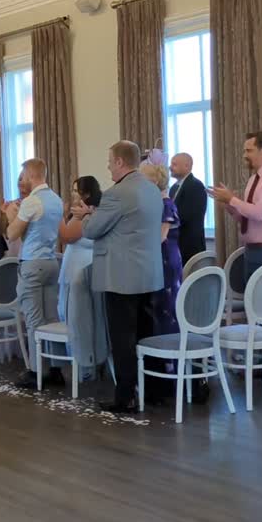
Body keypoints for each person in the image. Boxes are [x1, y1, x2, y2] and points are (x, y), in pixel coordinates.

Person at [72, 141, 163, 414]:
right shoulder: (152, 189)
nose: (108, 166)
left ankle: (126, 396)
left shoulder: (116, 194)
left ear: (121, 162)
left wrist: (86, 216)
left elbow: (93, 230)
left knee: (123, 338)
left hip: (120, 276)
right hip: (148, 274)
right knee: (147, 334)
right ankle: (153, 389)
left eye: (110, 161)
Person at [209, 131, 262, 314]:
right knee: (255, 306)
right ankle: (261, 335)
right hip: (253, 249)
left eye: (249, 150)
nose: (244, 155)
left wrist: (232, 199)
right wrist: (230, 206)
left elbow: (260, 213)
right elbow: (247, 217)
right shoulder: (254, 178)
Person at [4, 158, 64, 389]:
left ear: (31, 175)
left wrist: (10, 214)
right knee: (52, 318)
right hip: (51, 261)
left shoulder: (32, 201)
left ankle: (35, 371)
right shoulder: (56, 199)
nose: (22, 180)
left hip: (32, 263)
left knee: (33, 319)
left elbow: (12, 234)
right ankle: (56, 369)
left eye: (23, 176)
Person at [58, 176, 109, 381]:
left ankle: (84, 366)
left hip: (80, 267)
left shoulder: (84, 213)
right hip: (82, 264)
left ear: (86, 194)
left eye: (75, 190)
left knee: (76, 317)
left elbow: (67, 236)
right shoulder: (91, 211)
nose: (72, 194)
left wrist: (60, 215)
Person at [141, 161, 182, 334]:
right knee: (157, 304)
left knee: (167, 304)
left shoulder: (166, 204)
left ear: (155, 182)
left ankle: (169, 344)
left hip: (166, 257)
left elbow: (160, 236)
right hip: (160, 257)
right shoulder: (157, 203)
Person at [169, 152, 208, 265]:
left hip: (190, 245)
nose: (170, 167)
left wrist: (165, 220)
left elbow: (187, 215)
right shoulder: (173, 188)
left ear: (186, 166)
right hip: (177, 244)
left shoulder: (195, 185)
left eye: (174, 164)